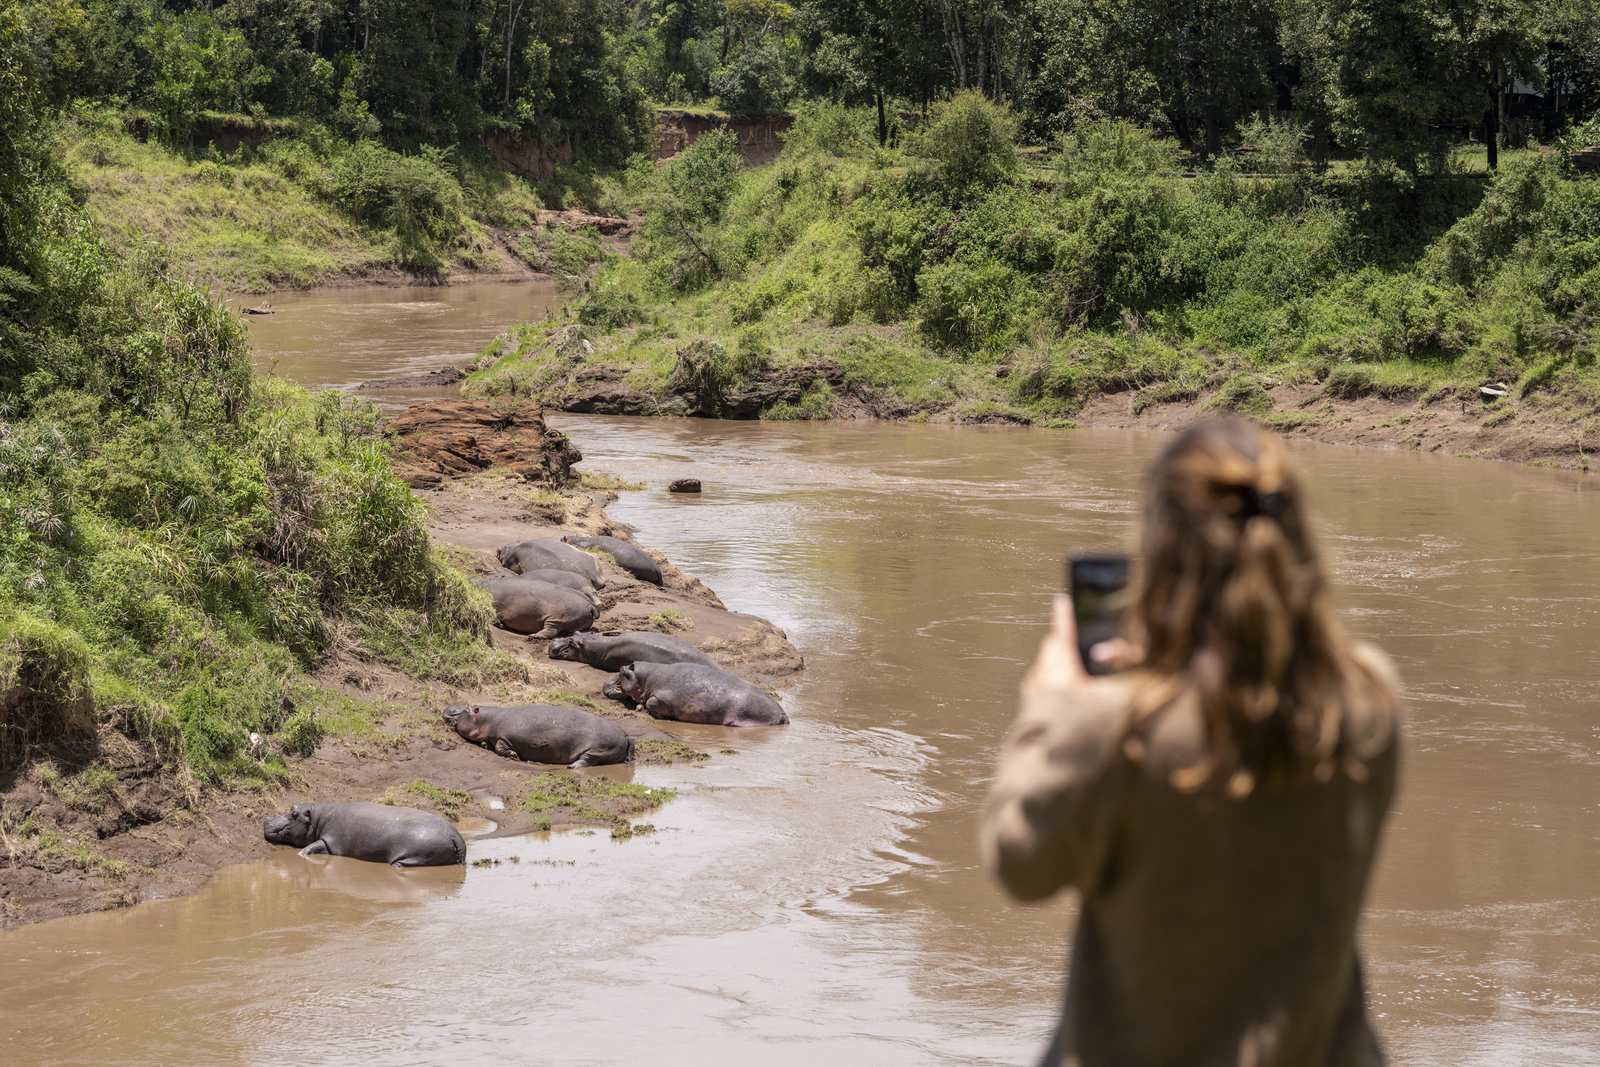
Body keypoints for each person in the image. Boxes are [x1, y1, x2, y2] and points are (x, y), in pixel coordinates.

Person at [981, 419, 1401, 1067]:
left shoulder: (1116, 728)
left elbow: (1019, 863)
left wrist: (1050, 707)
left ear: (1160, 549)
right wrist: (1167, 666)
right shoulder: (1369, 700)